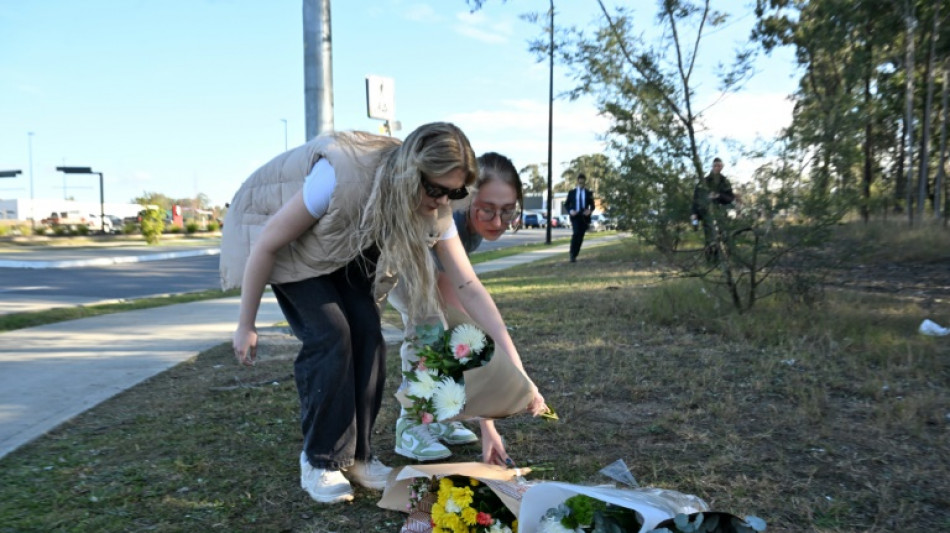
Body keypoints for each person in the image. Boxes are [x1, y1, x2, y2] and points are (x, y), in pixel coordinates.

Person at [219, 122, 546, 505]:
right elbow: (267, 243)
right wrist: (246, 324)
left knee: (369, 339)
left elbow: (469, 288)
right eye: (436, 190)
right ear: (411, 172)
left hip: (342, 246)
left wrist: (521, 379)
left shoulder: (434, 206)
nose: (442, 202)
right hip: (287, 245)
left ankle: (357, 456)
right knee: (331, 335)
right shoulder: (341, 176)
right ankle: (320, 459)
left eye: (454, 193)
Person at [389, 152, 524, 465]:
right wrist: (488, 424)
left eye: (508, 211)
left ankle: (439, 417)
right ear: (467, 196)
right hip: (395, 268)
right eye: (487, 210)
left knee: (443, 333)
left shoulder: (470, 227)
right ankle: (410, 425)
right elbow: (460, 323)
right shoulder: (452, 221)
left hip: (420, 270)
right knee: (431, 332)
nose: (498, 222)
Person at [690, 157, 735, 257]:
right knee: (709, 238)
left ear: (722, 167)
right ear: (712, 166)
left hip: (721, 215)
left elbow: (730, 198)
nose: (717, 168)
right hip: (707, 215)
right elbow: (696, 199)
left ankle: (724, 260)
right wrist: (694, 214)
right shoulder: (704, 182)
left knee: (723, 237)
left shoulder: (725, 182)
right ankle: (710, 261)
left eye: (719, 166)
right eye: (715, 165)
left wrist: (719, 195)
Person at [565, 173, 595, 262]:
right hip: (575, 216)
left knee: (581, 236)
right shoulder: (572, 193)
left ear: (585, 183)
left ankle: (575, 254)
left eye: (583, 183)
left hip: (584, 217)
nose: (581, 184)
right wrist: (571, 211)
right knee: (576, 233)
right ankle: (572, 253)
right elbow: (566, 204)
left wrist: (589, 211)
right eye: (580, 182)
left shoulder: (588, 193)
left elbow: (592, 205)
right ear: (577, 182)